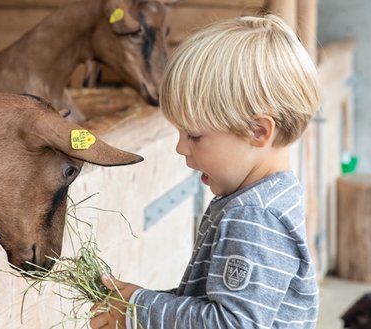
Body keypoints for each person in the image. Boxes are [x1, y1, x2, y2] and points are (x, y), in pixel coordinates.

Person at [90, 12, 321, 329]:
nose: (180, 147)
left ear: (258, 132)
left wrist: (139, 309)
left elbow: (232, 324)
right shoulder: (269, 195)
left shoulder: (254, 216)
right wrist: (140, 302)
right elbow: (214, 304)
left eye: (194, 136)